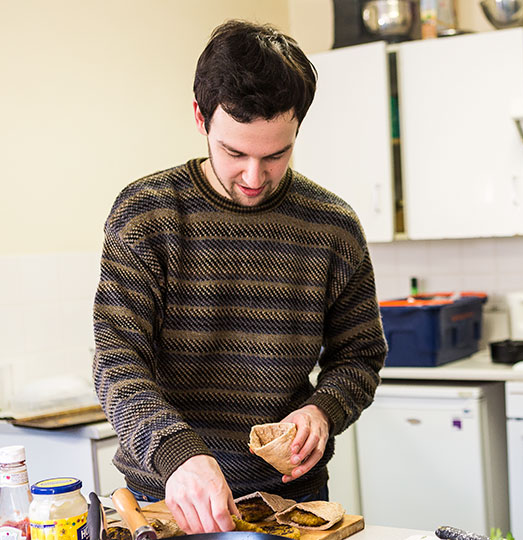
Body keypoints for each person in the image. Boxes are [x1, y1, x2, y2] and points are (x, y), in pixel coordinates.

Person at [92, 20, 387, 534]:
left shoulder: (333, 227)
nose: (254, 177)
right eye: (235, 153)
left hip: (293, 501)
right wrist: (178, 454)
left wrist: (322, 410)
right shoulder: (146, 215)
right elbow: (117, 361)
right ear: (200, 118)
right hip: (165, 496)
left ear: (298, 128)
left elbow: (359, 356)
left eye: (275, 154)